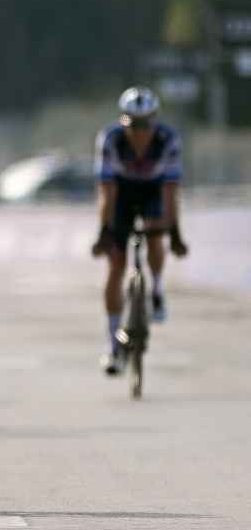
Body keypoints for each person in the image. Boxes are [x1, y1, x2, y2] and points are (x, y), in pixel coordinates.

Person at [91, 86, 188, 375]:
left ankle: (156, 289)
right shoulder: (110, 140)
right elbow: (107, 192)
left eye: (145, 124)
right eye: (133, 125)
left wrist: (175, 231)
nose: (140, 132)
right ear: (123, 122)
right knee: (115, 264)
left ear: (154, 121)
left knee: (155, 237)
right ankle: (113, 346)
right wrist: (103, 231)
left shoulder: (168, 140)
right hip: (121, 194)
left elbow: (170, 191)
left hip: (153, 191)